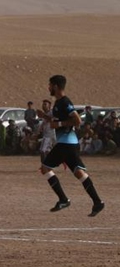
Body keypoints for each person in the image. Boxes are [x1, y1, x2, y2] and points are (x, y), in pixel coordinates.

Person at [37, 75, 104, 217]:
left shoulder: (64, 102)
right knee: (79, 173)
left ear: (55, 86)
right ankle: (97, 202)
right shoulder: (58, 103)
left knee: (45, 168)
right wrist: (45, 117)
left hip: (65, 143)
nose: (48, 87)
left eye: (49, 85)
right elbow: (57, 121)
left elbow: (77, 120)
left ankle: (63, 199)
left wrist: (59, 124)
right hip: (69, 143)